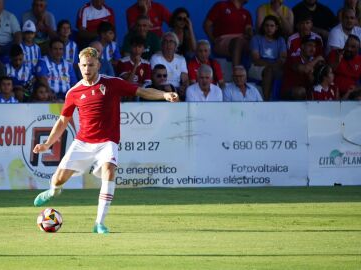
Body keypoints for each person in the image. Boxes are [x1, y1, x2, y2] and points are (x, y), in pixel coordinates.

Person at [31, 47, 179, 234]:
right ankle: (53, 191)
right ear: (79, 66)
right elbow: (63, 121)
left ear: (98, 65)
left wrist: (164, 95)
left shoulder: (113, 83)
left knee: (110, 171)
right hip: (83, 142)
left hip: (107, 141)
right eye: (84, 65)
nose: (87, 69)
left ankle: (99, 223)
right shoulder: (74, 93)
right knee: (59, 179)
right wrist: (47, 144)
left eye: (91, 65)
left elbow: (141, 91)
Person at [204, 0, 253, 67]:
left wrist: (252, 33)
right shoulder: (221, 6)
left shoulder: (246, 13)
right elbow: (207, 24)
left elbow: (248, 29)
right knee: (238, 41)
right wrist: (213, 40)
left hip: (242, 40)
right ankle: (236, 72)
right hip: (223, 41)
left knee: (255, 43)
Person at [249, 15, 287, 100]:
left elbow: (283, 58)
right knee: (269, 70)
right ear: (263, 27)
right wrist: (272, 65)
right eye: (266, 25)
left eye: (272, 26)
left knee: (285, 72)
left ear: (276, 27)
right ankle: (266, 101)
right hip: (257, 67)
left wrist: (275, 65)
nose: (269, 28)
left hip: (275, 66)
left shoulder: (281, 40)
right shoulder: (256, 39)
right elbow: (256, 60)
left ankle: (279, 100)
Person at [281, 36, 324, 100]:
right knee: (301, 91)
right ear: (302, 46)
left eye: (314, 46)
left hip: (306, 92)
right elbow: (305, 69)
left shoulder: (315, 63)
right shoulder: (293, 58)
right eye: (310, 45)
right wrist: (317, 59)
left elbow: (313, 82)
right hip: (289, 92)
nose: (313, 49)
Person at [150, 32, 188, 99]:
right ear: (162, 45)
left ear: (176, 45)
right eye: (165, 41)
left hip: (177, 91)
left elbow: (185, 80)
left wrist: (183, 87)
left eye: (171, 41)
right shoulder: (156, 58)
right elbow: (156, 81)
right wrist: (172, 89)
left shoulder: (181, 59)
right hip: (161, 90)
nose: (168, 44)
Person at [327, 34, 361, 99]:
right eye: (347, 45)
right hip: (332, 90)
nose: (348, 48)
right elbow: (326, 72)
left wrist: (357, 88)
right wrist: (337, 61)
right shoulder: (335, 53)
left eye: (353, 47)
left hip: (351, 93)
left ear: (358, 49)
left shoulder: (360, 60)